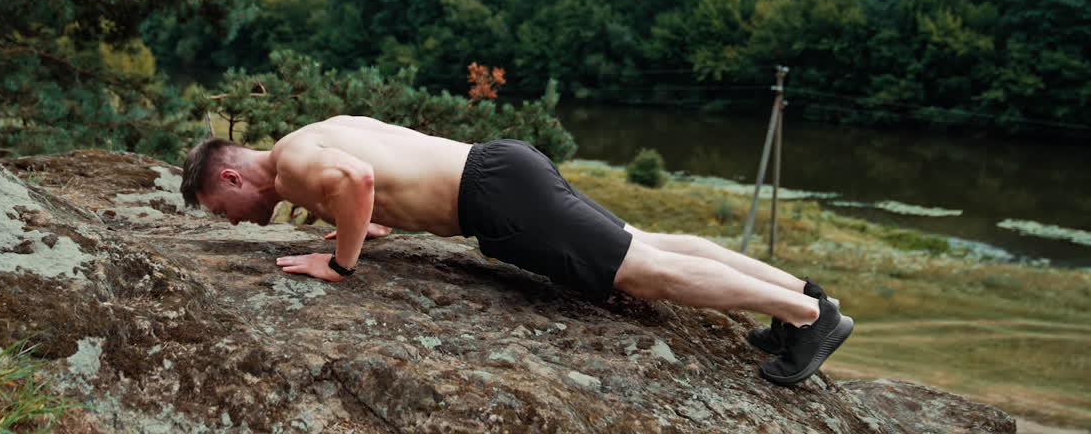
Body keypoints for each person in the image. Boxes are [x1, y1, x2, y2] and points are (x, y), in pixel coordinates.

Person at [179, 115, 852, 385]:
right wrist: (368, 223)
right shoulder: (304, 138)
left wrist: (341, 263)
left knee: (640, 274)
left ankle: (809, 322)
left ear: (232, 176)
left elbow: (358, 179)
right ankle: (804, 298)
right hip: (500, 168)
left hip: (495, 199)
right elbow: (373, 175)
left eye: (220, 209)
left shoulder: (293, 166)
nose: (234, 222)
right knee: (648, 243)